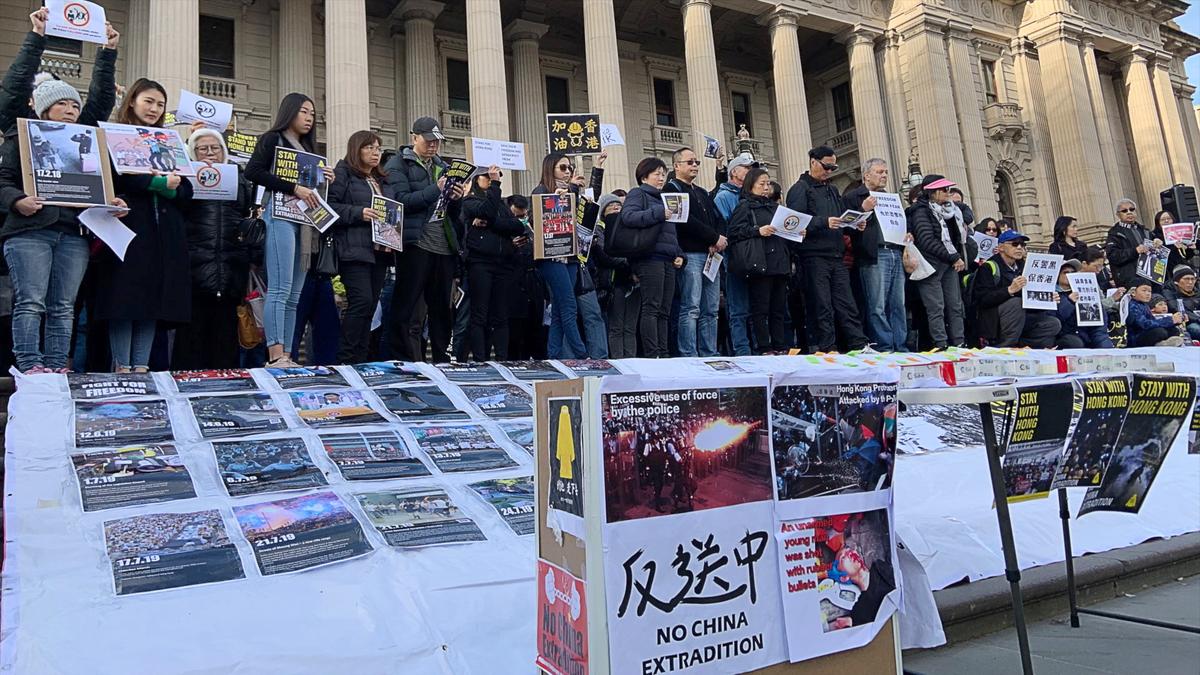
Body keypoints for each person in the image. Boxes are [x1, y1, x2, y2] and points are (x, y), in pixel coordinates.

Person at [0, 12, 122, 374]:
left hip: (73, 233)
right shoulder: (19, 136)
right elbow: (2, 179)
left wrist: (108, 52)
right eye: (62, 104)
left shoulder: (83, 139)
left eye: (74, 105)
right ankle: (29, 363)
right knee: (31, 302)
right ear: (42, 108)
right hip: (29, 231)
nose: (71, 110)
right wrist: (16, 200)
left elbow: (100, 100)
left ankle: (56, 365)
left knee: (64, 305)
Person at [94, 79, 192, 373]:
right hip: (128, 230)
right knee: (125, 302)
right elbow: (118, 177)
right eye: (148, 101)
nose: (154, 109)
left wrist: (168, 188)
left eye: (160, 104)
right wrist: (157, 182)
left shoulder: (168, 141)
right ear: (133, 101)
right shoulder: (112, 137)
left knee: (152, 304)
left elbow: (186, 189)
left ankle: (141, 367)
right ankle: (121, 365)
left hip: (164, 236)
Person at [244, 93, 331, 368]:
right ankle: (275, 352)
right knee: (280, 289)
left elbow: (314, 191)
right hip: (279, 216)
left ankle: (288, 354)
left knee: (295, 294)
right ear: (290, 111)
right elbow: (253, 171)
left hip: (305, 223)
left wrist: (324, 178)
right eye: (304, 112)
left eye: (313, 114)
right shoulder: (273, 139)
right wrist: (294, 187)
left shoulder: (308, 149)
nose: (309, 118)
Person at [383, 116, 464, 362]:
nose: (433, 146)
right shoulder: (398, 165)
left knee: (442, 310)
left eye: (437, 142)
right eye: (428, 140)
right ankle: (403, 359)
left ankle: (442, 360)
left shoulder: (443, 166)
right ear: (414, 137)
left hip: (444, 245)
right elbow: (401, 201)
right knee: (406, 306)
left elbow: (452, 212)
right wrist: (435, 189)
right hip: (415, 243)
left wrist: (456, 198)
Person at [172, 128, 252, 370]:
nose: (210, 154)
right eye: (202, 149)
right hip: (194, 268)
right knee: (192, 337)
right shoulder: (184, 179)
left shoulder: (238, 178)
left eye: (215, 148)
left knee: (225, 336)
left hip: (230, 268)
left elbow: (245, 211)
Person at [786, 145, 867, 352]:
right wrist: (823, 222)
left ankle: (858, 344)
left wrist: (855, 222)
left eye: (833, 167)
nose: (829, 171)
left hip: (836, 254)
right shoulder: (799, 189)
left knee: (847, 303)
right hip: (813, 256)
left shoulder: (832, 190)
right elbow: (794, 221)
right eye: (826, 167)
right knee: (822, 304)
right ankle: (826, 346)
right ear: (813, 162)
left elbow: (841, 216)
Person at [326, 130, 392, 364]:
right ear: (357, 149)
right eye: (369, 148)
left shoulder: (382, 179)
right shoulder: (342, 172)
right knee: (361, 302)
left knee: (370, 307)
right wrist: (358, 213)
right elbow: (330, 207)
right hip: (353, 248)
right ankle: (346, 358)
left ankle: (361, 361)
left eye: (378, 149)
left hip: (381, 251)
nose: (375, 153)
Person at [532, 152, 605, 359]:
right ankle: (581, 354)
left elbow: (591, 202)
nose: (568, 172)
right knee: (569, 306)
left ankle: (554, 356)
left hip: (571, 257)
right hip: (551, 257)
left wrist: (597, 168)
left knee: (558, 312)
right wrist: (567, 191)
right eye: (563, 168)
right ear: (550, 169)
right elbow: (540, 217)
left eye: (570, 168)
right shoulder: (541, 190)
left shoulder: (572, 192)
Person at [664, 147, 727, 357]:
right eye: (690, 162)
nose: (695, 166)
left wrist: (718, 239)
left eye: (697, 162)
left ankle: (709, 351)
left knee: (711, 309)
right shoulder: (671, 189)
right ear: (676, 165)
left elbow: (718, 218)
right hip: (690, 254)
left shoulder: (700, 192)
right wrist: (713, 237)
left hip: (711, 255)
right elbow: (685, 221)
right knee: (691, 307)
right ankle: (688, 353)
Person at [621, 157, 684, 358]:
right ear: (644, 176)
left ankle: (663, 353)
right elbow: (628, 217)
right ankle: (652, 353)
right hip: (649, 259)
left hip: (667, 260)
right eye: (657, 174)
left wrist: (680, 255)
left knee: (665, 310)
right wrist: (658, 212)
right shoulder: (638, 194)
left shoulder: (664, 198)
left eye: (663, 174)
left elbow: (671, 235)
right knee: (651, 307)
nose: (661, 178)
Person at [461, 166, 523, 360]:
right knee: (480, 314)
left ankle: (502, 358)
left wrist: (492, 223)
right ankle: (480, 357)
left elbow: (517, 225)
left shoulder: (501, 205)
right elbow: (485, 211)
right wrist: (495, 186)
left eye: (494, 178)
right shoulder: (470, 200)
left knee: (501, 315)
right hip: (480, 262)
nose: (492, 180)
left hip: (502, 263)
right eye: (487, 177)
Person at [845, 158, 907, 351]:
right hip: (874, 254)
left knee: (898, 303)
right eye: (880, 172)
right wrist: (863, 209)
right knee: (877, 304)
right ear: (866, 175)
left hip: (895, 251)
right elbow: (846, 227)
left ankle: (900, 345)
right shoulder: (854, 196)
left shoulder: (891, 198)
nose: (884, 176)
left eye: (886, 172)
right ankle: (884, 345)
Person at [727, 168, 791, 353]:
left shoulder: (774, 207)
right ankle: (764, 346)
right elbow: (734, 232)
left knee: (778, 309)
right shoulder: (745, 206)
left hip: (779, 261)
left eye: (768, 183)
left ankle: (780, 345)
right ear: (751, 185)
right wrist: (757, 231)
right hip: (760, 263)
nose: (765, 187)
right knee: (761, 308)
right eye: (761, 184)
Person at [971, 230, 1061, 348]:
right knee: (1015, 303)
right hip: (995, 322)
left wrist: (1046, 297)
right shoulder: (989, 267)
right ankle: (1005, 346)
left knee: (1053, 324)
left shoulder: (1025, 267)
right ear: (1001, 247)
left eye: (1022, 245)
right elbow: (982, 300)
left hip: (1021, 318)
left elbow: (1031, 299)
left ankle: (1023, 345)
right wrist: (1009, 290)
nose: (1019, 248)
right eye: (1014, 244)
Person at [906, 175, 966, 348]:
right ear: (931, 192)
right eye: (944, 189)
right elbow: (926, 240)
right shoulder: (920, 211)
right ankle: (941, 344)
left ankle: (959, 343)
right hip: (930, 265)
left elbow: (964, 222)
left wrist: (953, 257)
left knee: (955, 305)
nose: (948, 193)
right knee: (936, 307)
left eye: (948, 189)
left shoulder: (951, 211)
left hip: (948, 264)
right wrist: (954, 257)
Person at [713, 152, 757, 355]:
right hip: (735, 261)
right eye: (747, 168)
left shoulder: (753, 196)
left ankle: (758, 347)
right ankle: (742, 351)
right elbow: (726, 227)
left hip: (757, 260)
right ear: (734, 172)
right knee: (738, 309)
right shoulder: (723, 197)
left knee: (757, 308)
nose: (750, 172)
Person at [594, 194, 636, 358]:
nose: (616, 210)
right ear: (604, 212)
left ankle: (632, 360)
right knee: (616, 326)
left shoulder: (630, 227)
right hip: (614, 282)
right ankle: (619, 360)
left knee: (630, 326)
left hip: (632, 281)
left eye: (619, 207)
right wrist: (629, 263)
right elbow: (605, 256)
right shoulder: (600, 229)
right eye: (611, 207)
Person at [1054, 259, 1113, 349]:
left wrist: (1104, 345)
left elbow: (1098, 327)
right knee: (1075, 343)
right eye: (1065, 272)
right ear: (1057, 275)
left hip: (1086, 336)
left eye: (1072, 272)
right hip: (1064, 338)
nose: (1069, 275)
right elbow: (1055, 320)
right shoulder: (1052, 294)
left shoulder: (1086, 293)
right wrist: (1069, 302)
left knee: (1104, 344)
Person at [1104, 198, 1160, 290]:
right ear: (1118, 215)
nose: (1129, 212)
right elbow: (1113, 256)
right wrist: (1135, 251)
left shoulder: (1145, 230)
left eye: (1132, 209)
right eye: (1124, 211)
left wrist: (1158, 241)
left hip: (1151, 278)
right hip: (1130, 281)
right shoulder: (1114, 233)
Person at [1125, 281, 1186, 347]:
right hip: (1135, 338)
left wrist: (1176, 321)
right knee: (1159, 332)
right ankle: (1160, 344)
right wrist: (1170, 320)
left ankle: (1162, 343)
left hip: (1145, 333)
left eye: (1149, 291)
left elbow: (1153, 321)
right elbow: (1144, 324)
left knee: (1173, 330)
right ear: (1133, 293)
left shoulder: (1145, 305)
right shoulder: (1132, 305)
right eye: (1144, 290)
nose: (1148, 294)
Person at [1164, 265, 1200, 340]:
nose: (1190, 282)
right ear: (1177, 281)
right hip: (1184, 323)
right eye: (1186, 279)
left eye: (1193, 279)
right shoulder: (1168, 292)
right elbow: (1175, 308)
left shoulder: (1197, 292)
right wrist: (1198, 319)